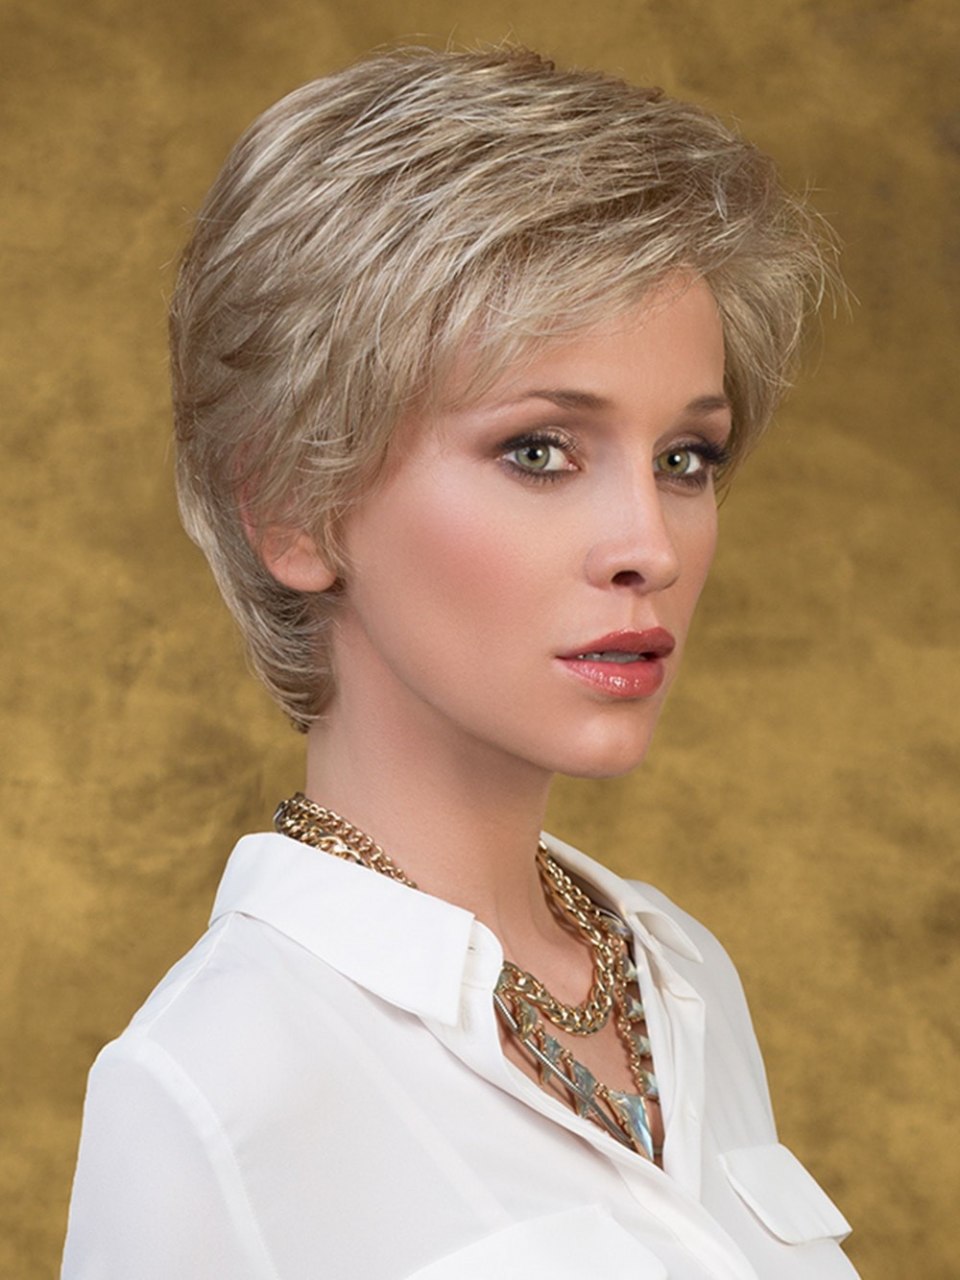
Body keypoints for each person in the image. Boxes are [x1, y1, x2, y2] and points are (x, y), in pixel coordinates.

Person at [61, 45, 857, 1279]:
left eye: (684, 458)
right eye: (540, 451)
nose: (650, 544)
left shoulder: (678, 973)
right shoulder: (214, 1086)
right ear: (294, 506)